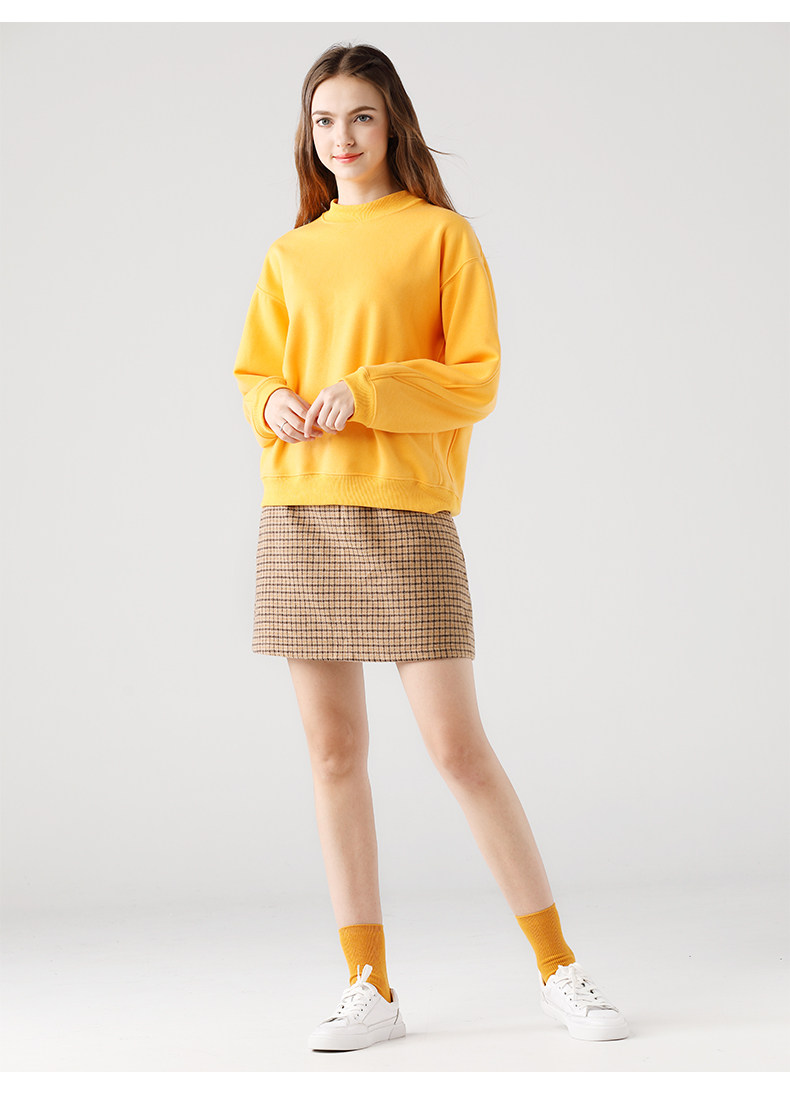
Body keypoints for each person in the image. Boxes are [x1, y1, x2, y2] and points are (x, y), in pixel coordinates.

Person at [233, 41, 629, 1052]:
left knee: (457, 748)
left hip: (406, 512)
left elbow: (475, 380)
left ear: (392, 123)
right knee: (333, 754)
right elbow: (254, 372)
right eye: (324, 120)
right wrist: (270, 402)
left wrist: (365, 390)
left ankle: (558, 967)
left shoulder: (441, 235)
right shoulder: (290, 253)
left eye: (360, 116)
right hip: (301, 512)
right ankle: (368, 986)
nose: (342, 137)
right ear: (308, 135)